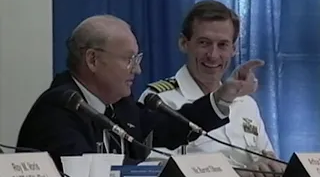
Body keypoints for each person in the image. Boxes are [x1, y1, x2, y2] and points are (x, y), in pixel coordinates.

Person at [16, 14, 261, 171]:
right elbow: (86, 169)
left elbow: (169, 126)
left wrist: (222, 97)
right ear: (92, 59)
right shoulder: (58, 109)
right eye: (130, 59)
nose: (138, 68)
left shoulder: (120, 104)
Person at [139, 0, 285, 177]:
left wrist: (269, 165)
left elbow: (267, 158)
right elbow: (155, 171)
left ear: (234, 49)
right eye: (204, 43)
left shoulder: (246, 104)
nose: (213, 55)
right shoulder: (158, 100)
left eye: (222, 45)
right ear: (184, 43)